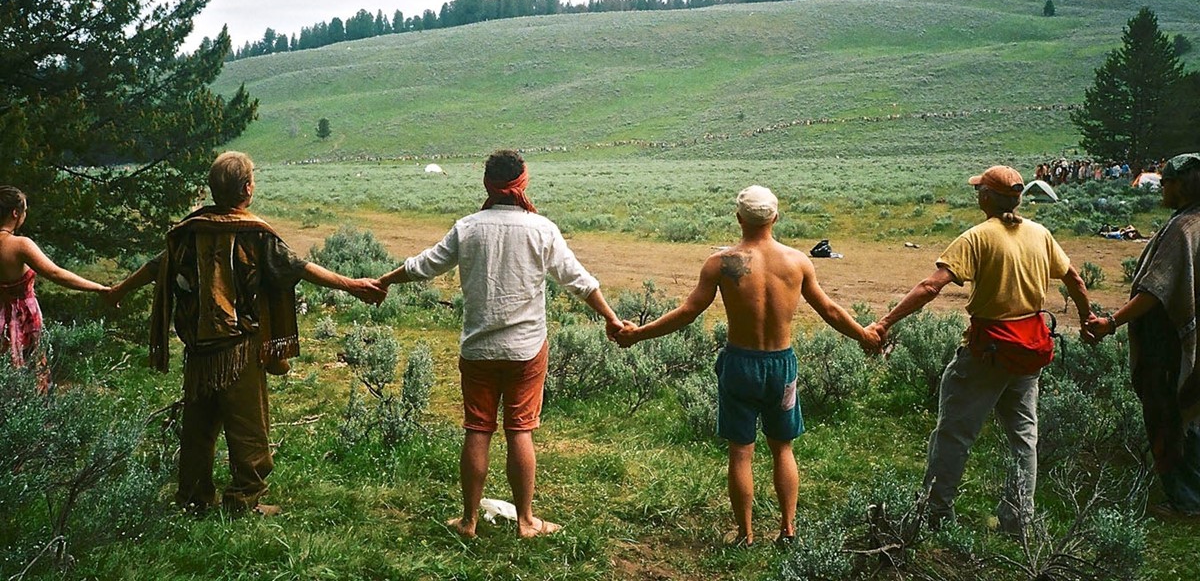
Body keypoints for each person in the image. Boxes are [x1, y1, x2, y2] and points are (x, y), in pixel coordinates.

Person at [108, 152, 386, 516]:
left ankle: (193, 496)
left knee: (199, 426)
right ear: (247, 188)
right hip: (238, 348)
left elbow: (155, 268)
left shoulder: (190, 231)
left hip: (198, 350)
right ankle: (243, 499)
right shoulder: (254, 233)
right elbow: (298, 268)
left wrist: (117, 291)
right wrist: (351, 284)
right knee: (248, 426)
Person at [615, 185, 879, 547]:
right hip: (781, 366)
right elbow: (830, 310)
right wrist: (863, 335)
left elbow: (689, 312)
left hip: (740, 364)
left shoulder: (721, 264)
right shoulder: (798, 262)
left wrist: (638, 333)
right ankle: (788, 530)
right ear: (775, 217)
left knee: (741, 451)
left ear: (739, 218)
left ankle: (745, 534)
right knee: (782, 448)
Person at [378, 149, 622, 539]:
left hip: (477, 349)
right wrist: (611, 318)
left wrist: (384, 281)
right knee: (519, 431)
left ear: (487, 184)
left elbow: (423, 265)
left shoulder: (468, 228)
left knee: (477, 428)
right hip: (526, 349)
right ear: (523, 182)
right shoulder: (542, 229)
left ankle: (469, 521)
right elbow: (579, 280)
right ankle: (526, 521)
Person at [865, 165, 1089, 533]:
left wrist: (884, 323)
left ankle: (936, 514)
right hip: (1029, 349)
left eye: (979, 189)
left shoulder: (976, 238)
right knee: (1024, 437)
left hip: (988, 351)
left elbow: (929, 287)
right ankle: (1019, 521)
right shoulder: (1040, 234)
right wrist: (1087, 319)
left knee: (954, 432)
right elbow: (1074, 278)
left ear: (987, 197)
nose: (976, 195)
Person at [1084, 153, 1200, 519]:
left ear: (1182, 185)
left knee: (1167, 414)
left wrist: (1111, 323)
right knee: (1191, 412)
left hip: (1167, 344)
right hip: (1188, 337)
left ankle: (1187, 500)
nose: (1161, 187)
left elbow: (1154, 290)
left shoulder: (1183, 228)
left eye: (1166, 182)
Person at [0, 186, 112, 378]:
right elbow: (56, 273)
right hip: (23, 319)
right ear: (15, 213)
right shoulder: (20, 245)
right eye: (25, 210)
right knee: (29, 377)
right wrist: (99, 288)